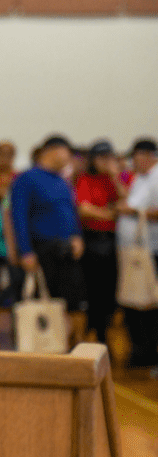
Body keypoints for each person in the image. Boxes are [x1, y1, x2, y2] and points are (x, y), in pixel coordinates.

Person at [10, 135, 86, 347]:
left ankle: (67, 346)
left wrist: (77, 236)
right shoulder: (26, 179)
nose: (70, 157)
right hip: (42, 250)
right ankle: (40, 348)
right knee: (42, 302)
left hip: (67, 250)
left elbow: (71, 211)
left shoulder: (62, 180)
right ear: (52, 150)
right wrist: (25, 251)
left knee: (71, 303)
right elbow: (19, 217)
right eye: (67, 152)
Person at [74, 140, 126, 345]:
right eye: (101, 158)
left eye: (109, 157)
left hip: (113, 241)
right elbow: (84, 209)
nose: (105, 162)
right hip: (92, 239)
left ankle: (104, 328)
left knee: (110, 288)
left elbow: (127, 202)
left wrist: (115, 177)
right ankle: (93, 330)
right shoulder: (85, 179)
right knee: (92, 288)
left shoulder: (116, 179)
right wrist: (110, 213)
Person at [115, 137, 158, 368]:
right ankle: (141, 351)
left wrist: (133, 211)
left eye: (136, 157)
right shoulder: (141, 178)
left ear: (147, 156)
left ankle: (150, 351)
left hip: (151, 250)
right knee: (134, 301)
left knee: (150, 303)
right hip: (135, 250)